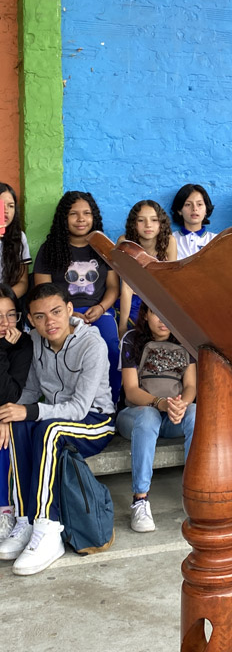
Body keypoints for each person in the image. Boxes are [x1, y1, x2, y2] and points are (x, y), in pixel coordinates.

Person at [0, 283, 115, 575]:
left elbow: (78, 409)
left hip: (95, 422)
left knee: (49, 430)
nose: (49, 321)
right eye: (39, 316)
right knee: (19, 426)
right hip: (55, 418)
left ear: (68, 310)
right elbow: (30, 391)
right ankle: (24, 521)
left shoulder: (92, 344)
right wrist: (7, 416)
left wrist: (28, 411)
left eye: (55, 312)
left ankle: (47, 527)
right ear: (30, 320)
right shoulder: (35, 342)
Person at [33, 192, 122, 403]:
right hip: (60, 313)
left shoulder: (104, 249)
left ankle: (110, 405)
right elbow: (42, 290)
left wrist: (101, 308)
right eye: (73, 214)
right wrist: (68, 316)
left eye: (86, 213)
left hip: (98, 310)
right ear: (63, 218)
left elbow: (112, 287)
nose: (81, 219)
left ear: (94, 217)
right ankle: (70, 403)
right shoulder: (50, 250)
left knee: (110, 345)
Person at [115, 302, 196, 533]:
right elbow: (130, 390)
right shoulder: (132, 340)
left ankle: (193, 493)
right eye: (156, 313)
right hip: (135, 415)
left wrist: (182, 404)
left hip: (172, 415)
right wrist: (158, 402)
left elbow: (190, 386)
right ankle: (140, 499)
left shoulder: (184, 341)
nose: (163, 320)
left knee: (196, 412)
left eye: (168, 315)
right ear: (146, 315)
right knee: (149, 416)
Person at [0, 284, 33, 541]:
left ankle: (4, 510)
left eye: (11, 314)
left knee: (6, 432)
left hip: (8, 410)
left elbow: (11, 394)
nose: (5, 322)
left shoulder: (23, 344)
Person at [117, 200, 177, 335]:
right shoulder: (125, 242)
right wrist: (122, 326)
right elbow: (126, 287)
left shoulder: (169, 242)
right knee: (134, 331)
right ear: (133, 223)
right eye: (141, 220)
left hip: (159, 298)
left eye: (154, 220)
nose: (148, 225)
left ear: (162, 223)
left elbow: (170, 281)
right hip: (133, 300)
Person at [0, 183, 31, 299]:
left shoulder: (19, 237)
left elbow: (23, 283)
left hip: (8, 299)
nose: (5, 210)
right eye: (1, 205)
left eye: (11, 206)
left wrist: (5, 300)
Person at [171, 184, 217, 260]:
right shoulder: (170, 240)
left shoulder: (216, 240)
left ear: (206, 209)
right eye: (188, 204)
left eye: (199, 204)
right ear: (179, 210)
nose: (194, 209)